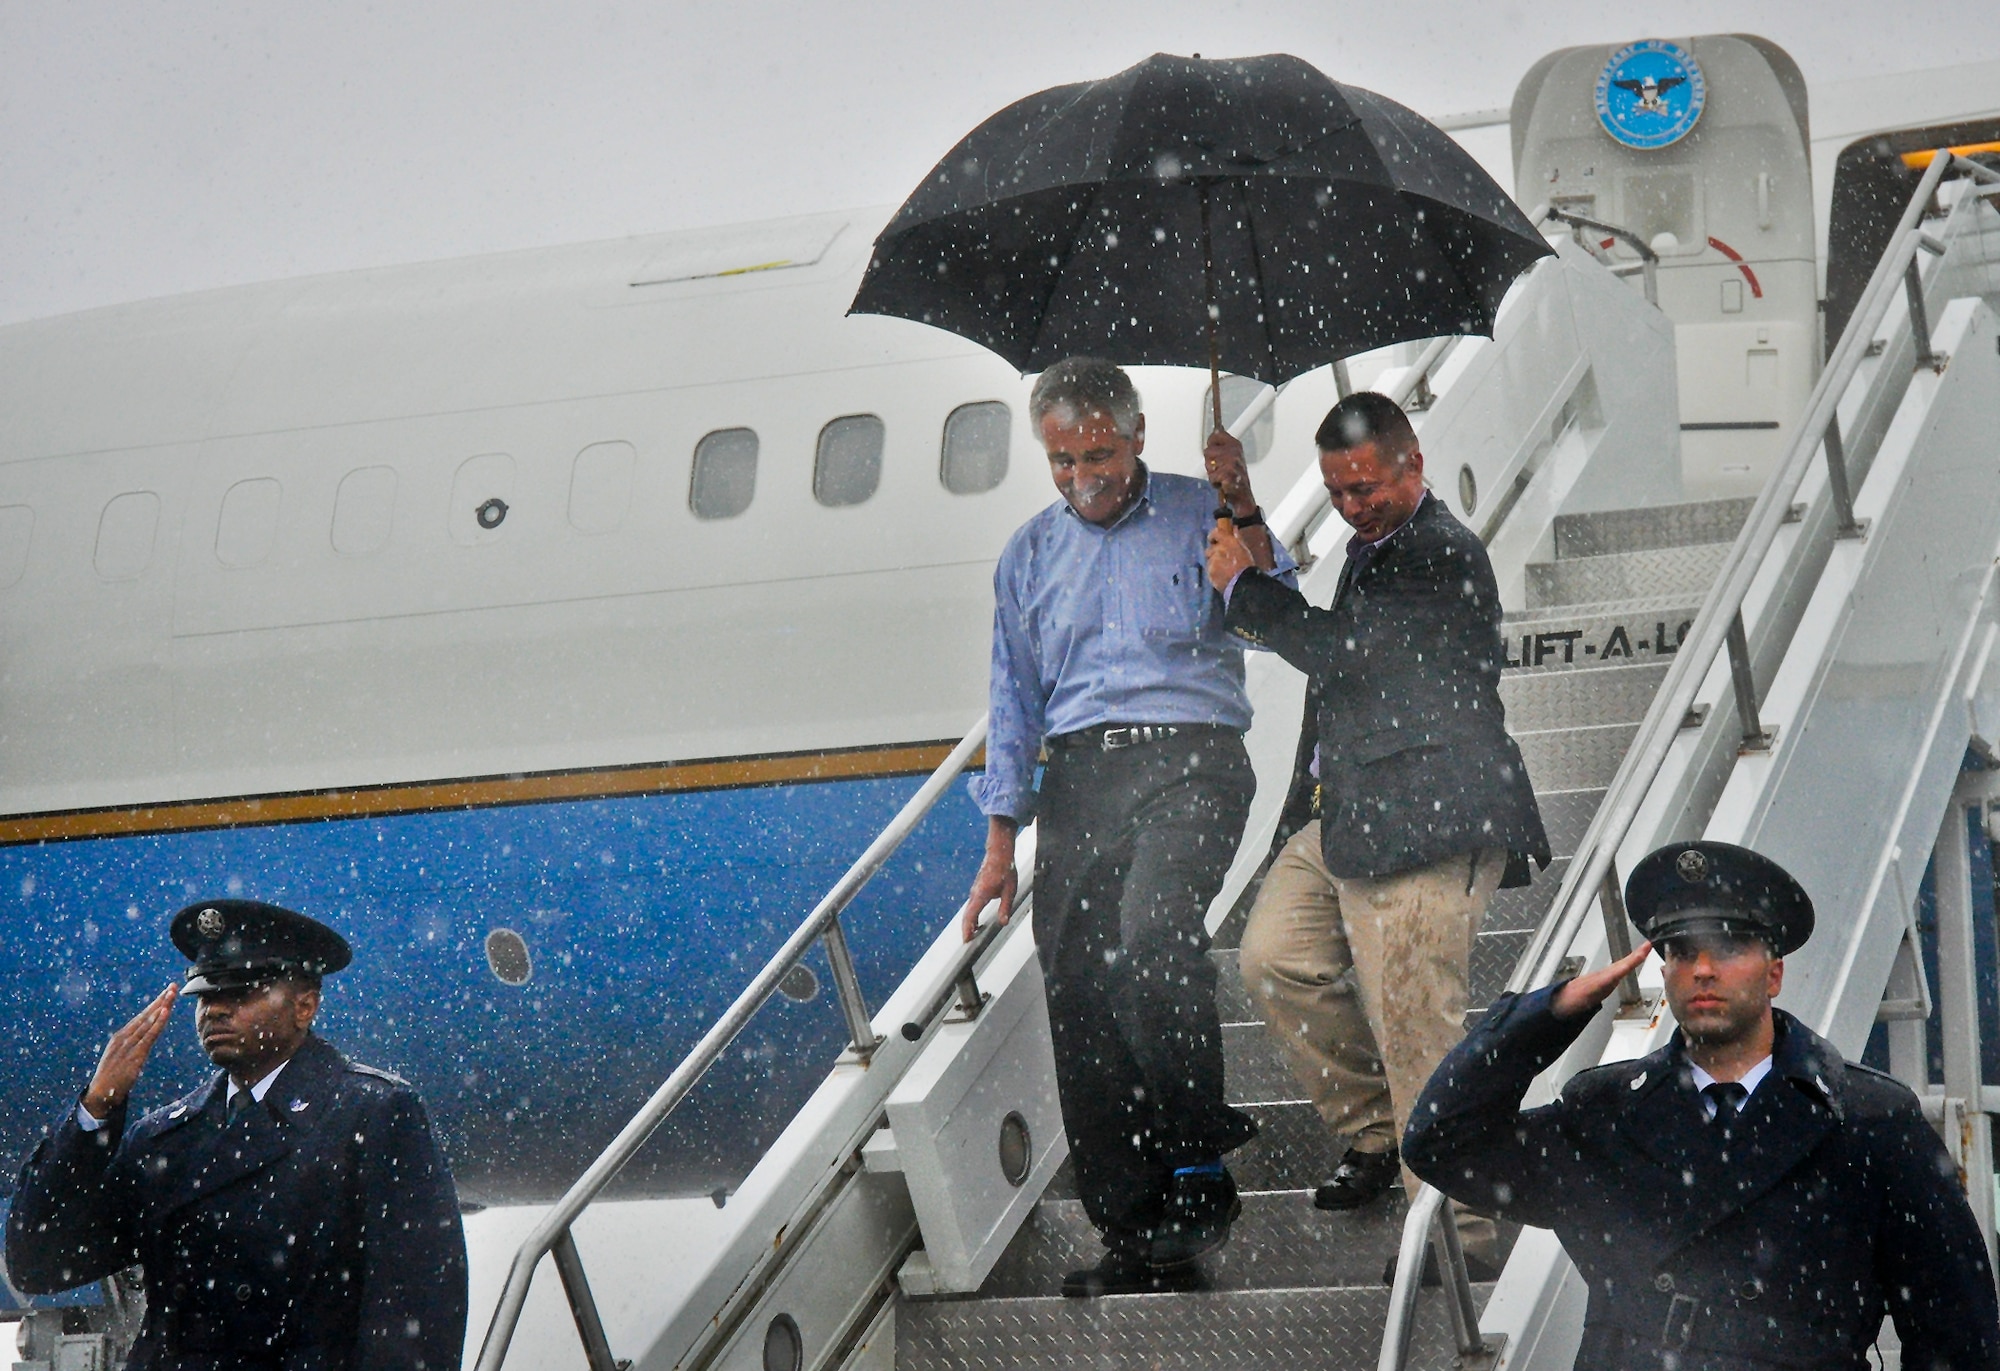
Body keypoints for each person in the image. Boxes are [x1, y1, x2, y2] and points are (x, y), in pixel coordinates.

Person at [1404, 840, 2000, 1371]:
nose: (1704, 969)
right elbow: (1442, 1142)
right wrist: (1545, 1015)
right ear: (1664, 971)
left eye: (1730, 946)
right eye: (1683, 951)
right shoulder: (1605, 1111)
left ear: (1774, 975)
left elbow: (1956, 1330)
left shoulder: (1868, 1120)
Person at [964, 357, 1294, 1297]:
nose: (1082, 477)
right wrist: (999, 841)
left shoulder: (1203, 512)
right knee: (1076, 986)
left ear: (1139, 435)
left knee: (1153, 938)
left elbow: (1275, 610)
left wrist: (1246, 504)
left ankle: (1197, 1164)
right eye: (1061, 461)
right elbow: (1013, 698)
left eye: (1098, 453)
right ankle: (1131, 1219)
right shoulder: (1028, 553)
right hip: (1079, 777)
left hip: (1190, 758)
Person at [1205, 390, 1548, 1270]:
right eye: (1339, 491)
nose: (1355, 505)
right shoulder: (1377, 548)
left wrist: (1241, 587)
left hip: (1429, 817)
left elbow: (1346, 653)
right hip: (1349, 811)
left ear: (1413, 464)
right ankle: (1375, 1130)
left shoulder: (1439, 551)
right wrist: (1242, 506)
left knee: (1415, 1025)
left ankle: (1464, 1237)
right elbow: (1330, 634)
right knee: (1272, 958)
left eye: (1367, 487)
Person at [6, 899, 469, 1371]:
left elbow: (418, 1312)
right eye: (205, 996)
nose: (215, 1011)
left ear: (304, 1006)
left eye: (241, 994)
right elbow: (40, 1261)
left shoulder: (370, 1115)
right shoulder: (164, 1140)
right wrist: (95, 1111)